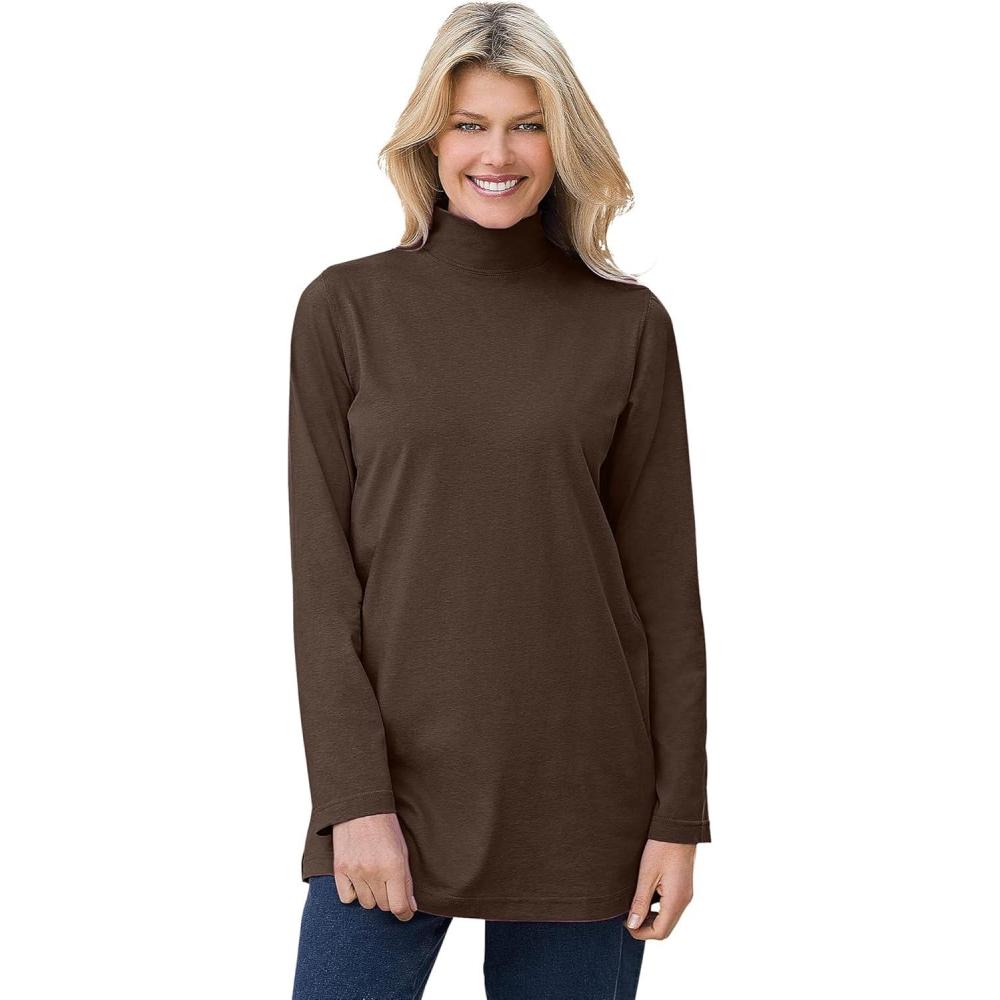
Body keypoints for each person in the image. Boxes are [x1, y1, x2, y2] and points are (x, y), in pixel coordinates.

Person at [287, 4, 711, 997]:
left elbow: (664, 590)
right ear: (429, 140)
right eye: (470, 124)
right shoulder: (345, 310)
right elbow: (323, 586)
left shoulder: (626, 325)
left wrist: (677, 817)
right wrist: (352, 798)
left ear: (563, 142)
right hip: (395, 792)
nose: (498, 153)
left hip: (586, 794)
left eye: (528, 125)